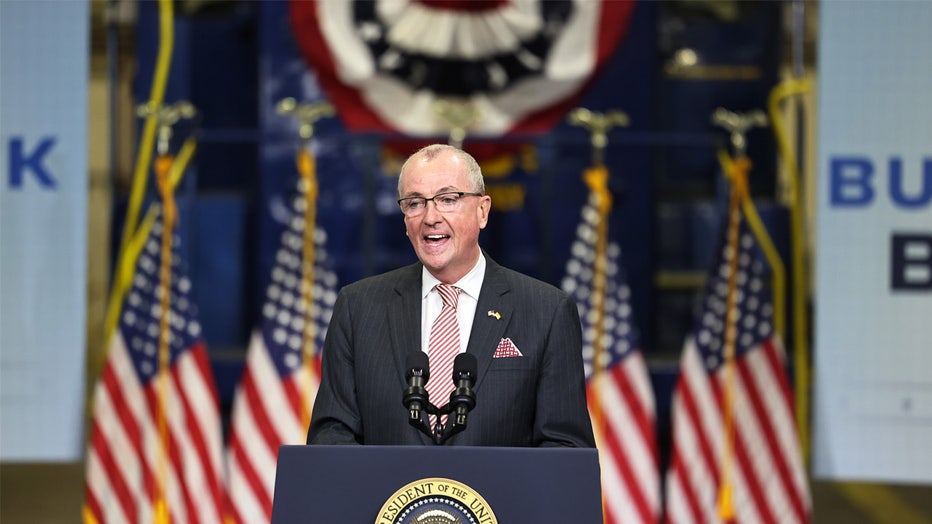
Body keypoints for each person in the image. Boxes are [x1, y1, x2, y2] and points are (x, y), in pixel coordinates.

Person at [307, 144, 595, 447]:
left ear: (482, 210)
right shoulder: (358, 308)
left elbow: (565, 449)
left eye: (447, 199)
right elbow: (331, 437)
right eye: (415, 203)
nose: (430, 217)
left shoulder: (547, 312)